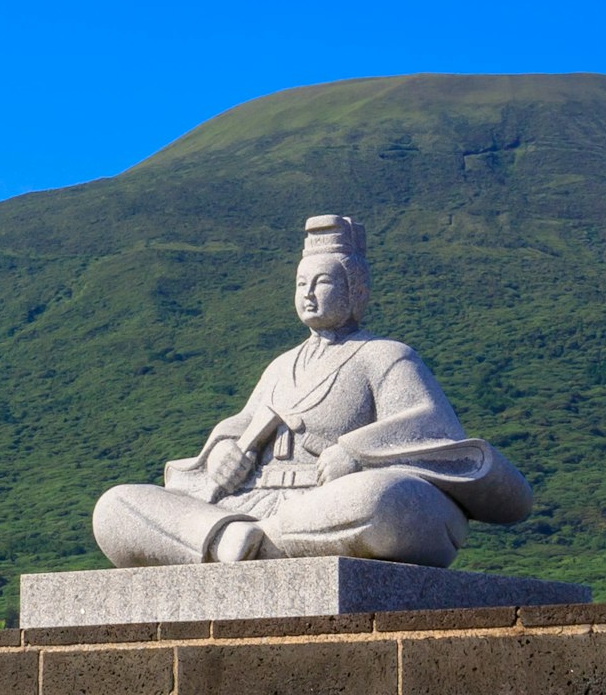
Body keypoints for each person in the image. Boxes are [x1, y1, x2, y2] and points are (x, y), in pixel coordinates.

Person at [90, 214, 533, 566]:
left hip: (329, 503)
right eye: (301, 284)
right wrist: (224, 451)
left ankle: (248, 543)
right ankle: (228, 538)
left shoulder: (385, 356)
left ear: (355, 290)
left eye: (321, 282)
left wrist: (357, 452)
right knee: (116, 507)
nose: (308, 294)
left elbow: (431, 425)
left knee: (383, 500)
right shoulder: (282, 366)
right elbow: (243, 425)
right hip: (254, 502)